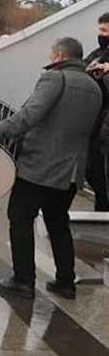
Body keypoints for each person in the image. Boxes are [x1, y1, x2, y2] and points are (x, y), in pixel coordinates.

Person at [0, 37, 103, 300]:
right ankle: (65, 282)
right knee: (57, 221)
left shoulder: (54, 79)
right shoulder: (94, 87)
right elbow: (94, 130)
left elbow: (29, 115)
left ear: (58, 56)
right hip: (72, 169)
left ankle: (23, 280)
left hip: (40, 165)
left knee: (20, 217)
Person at [83, 12, 109, 211]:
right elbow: (83, 66)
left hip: (104, 129)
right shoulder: (98, 53)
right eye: (99, 30)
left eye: (105, 30)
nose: (100, 34)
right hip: (95, 125)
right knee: (92, 171)